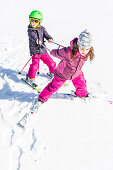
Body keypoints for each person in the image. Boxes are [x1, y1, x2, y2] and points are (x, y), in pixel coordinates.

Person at [33, 29, 95, 108]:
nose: (84, 51)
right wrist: (53, 51)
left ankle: (82, 95)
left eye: (87, 49)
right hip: (62, 74)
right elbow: (55, 53)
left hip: (77, 73)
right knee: (53, 87)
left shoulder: (87, 52)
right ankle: (41, 99)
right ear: (78, 45)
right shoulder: (68, 52)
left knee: (81, 84)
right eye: (82, 48)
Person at [26, 10, 56, 86]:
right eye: (31, 20)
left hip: (43, 50)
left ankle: (53, 73)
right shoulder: (30, 30)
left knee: (51, 63)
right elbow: (32, 36)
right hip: (35, 51)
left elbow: (46, 35)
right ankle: (30, 78)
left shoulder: (42, 29)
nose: (33, 23)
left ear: (39, 22)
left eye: (36, 21)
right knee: (35, 66)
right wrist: (37, 40)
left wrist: (49, 39)